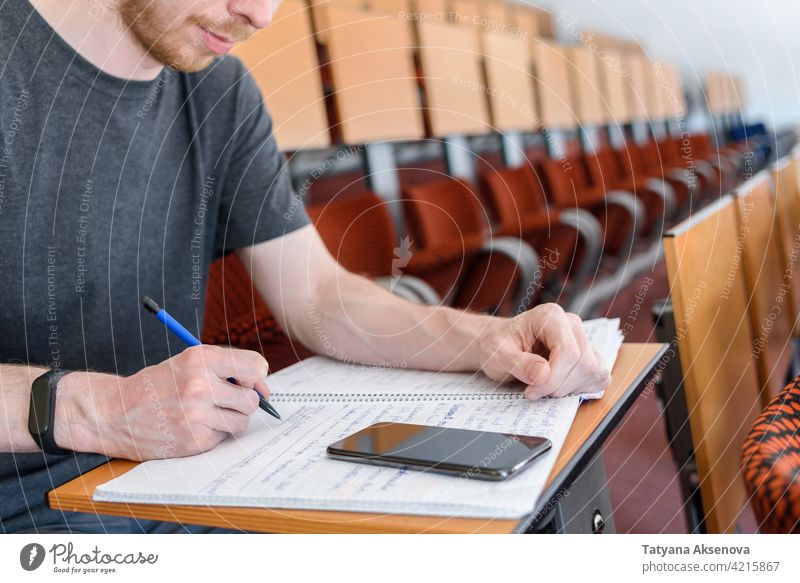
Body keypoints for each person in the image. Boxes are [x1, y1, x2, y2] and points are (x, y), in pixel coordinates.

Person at [0, 0, 611, 533]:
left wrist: (489, 337)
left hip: (173, 480)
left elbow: (317, 294)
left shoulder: (219, 90)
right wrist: (96, 409)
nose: (262, 16)